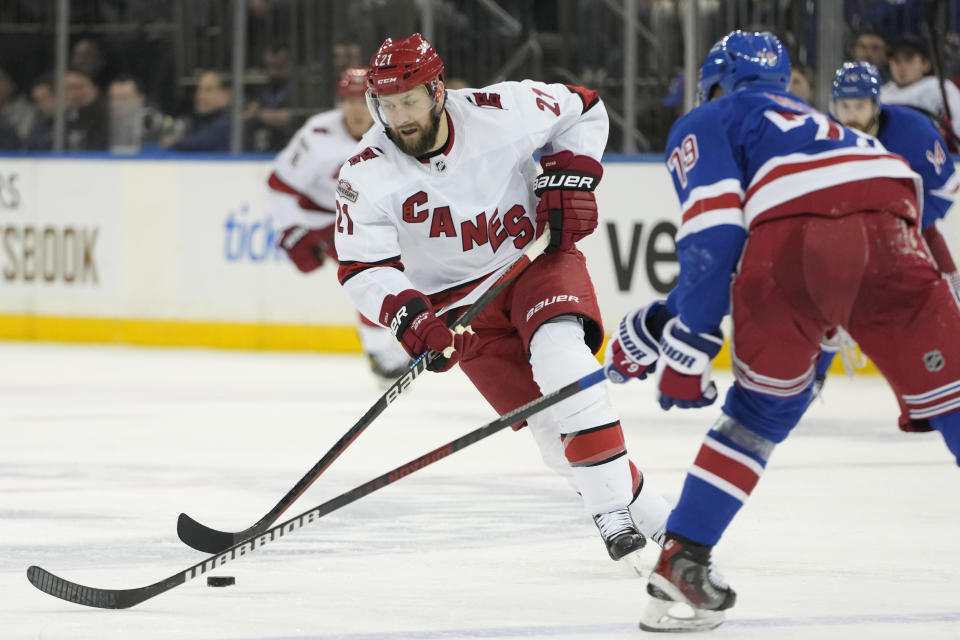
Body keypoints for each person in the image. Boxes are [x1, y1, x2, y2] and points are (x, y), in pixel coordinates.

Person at [603, 31, 960, 631]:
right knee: (955, 399)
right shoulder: (822, 125)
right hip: (890, 227)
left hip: (795, 249)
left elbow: (719, 239)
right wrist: (664, 320)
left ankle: (683, 560)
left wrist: (687, 350)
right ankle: (678, 569)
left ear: (714, 82)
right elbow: (802, 226)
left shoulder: (710, 118)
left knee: (760, 414)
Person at [334, 33, 672, 565]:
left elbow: (584, 108)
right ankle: (665, 525)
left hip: (535, 261)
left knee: (564, 360)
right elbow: (361, 266)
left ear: (438, 90)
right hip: (459, 306)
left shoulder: (502, 110)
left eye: (410, 101)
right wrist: (410, 317)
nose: (398, 117)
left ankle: (610, 515)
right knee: (547, 432)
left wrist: (572, 176)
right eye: (387, 104)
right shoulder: (365, 171)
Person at [815, 61, 960, 418]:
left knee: (945, 306)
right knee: (827, 308)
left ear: (876, 103)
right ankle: (812, 380)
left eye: (860, 105)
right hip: (844, 239)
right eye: (844, 105)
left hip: (912, 236)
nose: (851, 114)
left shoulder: (914, 131)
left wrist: (899, 227)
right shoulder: (818, 133)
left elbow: (946, 188)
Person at [266, 67, 412, 382]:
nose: (356, 109)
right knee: (371, 277)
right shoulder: (319, 135)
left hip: (371, 216)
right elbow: (278, 184)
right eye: (348, 101)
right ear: (338, 104)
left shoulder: (398, 130)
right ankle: (378, 350)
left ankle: (387, 341)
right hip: (324, 219)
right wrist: (290, 231)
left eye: (363, 100)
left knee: (405, 274)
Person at [881, 33, 960, 144]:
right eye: (896, 60)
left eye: (909, 59)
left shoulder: (940, 87)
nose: (902, 66)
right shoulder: (882, 93)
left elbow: (957, 125)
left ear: (926, 64)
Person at [163, 70, 231, 152]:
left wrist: (174, 142)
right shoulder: (198, 122)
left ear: (226, 95)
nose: (200, 95)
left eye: (209, 90)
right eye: (199, 89)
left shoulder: (230, 123)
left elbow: (202, 143)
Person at [246, 42, 296, 152]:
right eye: (269, 66)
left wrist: (258, 113)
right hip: (261, 149)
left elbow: (287, 117)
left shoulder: (298, 89)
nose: (273, 71)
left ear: (290, 64)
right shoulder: (261, 88)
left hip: (288, 148)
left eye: (279, 66)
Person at [64, 68, 108, 150]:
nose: (74, 93)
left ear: (94, 89)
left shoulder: (107, 115)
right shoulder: (58, 117)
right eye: (68, 88)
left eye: (79, 87)